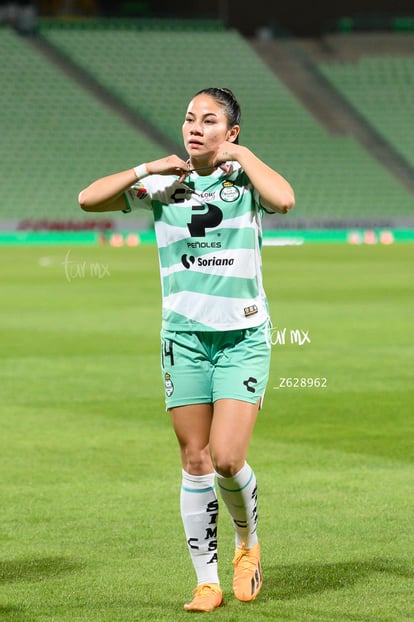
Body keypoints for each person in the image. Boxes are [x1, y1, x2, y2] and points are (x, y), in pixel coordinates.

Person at [78, 87, 295, 612]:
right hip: (183, 338)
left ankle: (247, 544)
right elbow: (88, 199)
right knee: (195, 460)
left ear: (231, 131)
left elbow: (284, 199)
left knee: (226, 458)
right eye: (189, 119)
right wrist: (147, 167)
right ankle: (207, 581)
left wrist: (241, 156)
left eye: (210, 121)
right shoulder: (160, 184)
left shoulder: (243, 178)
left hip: (242, 336)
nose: (196, 127)